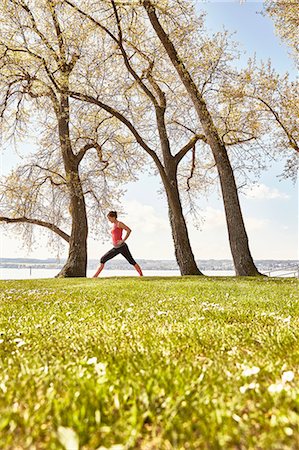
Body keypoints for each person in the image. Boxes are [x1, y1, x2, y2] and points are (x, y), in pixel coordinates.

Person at [93, 211, 143, 277]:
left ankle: (141, 275)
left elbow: (129, 230)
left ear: (114, 217)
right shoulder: (114, 225)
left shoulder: (119, 224)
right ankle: (95, 276)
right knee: (103, 259)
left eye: (110, 218)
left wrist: (123, 240)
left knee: (131, 261)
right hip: (116, 248)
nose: (109, 220)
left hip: (122, 247)